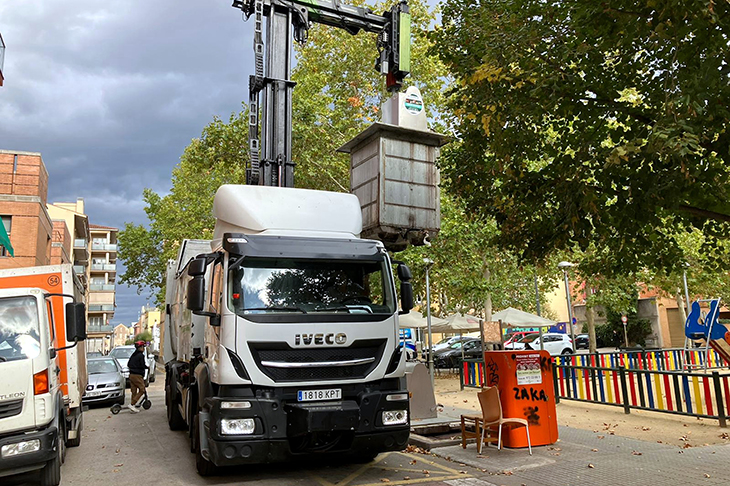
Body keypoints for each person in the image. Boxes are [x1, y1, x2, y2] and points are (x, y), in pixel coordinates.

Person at [127, 340, 149, 413]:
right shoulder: (141, 355)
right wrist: (146, 367)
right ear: (140, 347)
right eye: (143, 347)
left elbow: (128, 364)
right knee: (142, 389)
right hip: (137, 375)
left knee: (134, 391)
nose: (144, 349)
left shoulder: (133, 355)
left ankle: (132, 407)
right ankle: (132, 404)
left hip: (131, 375)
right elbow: (142, 365)